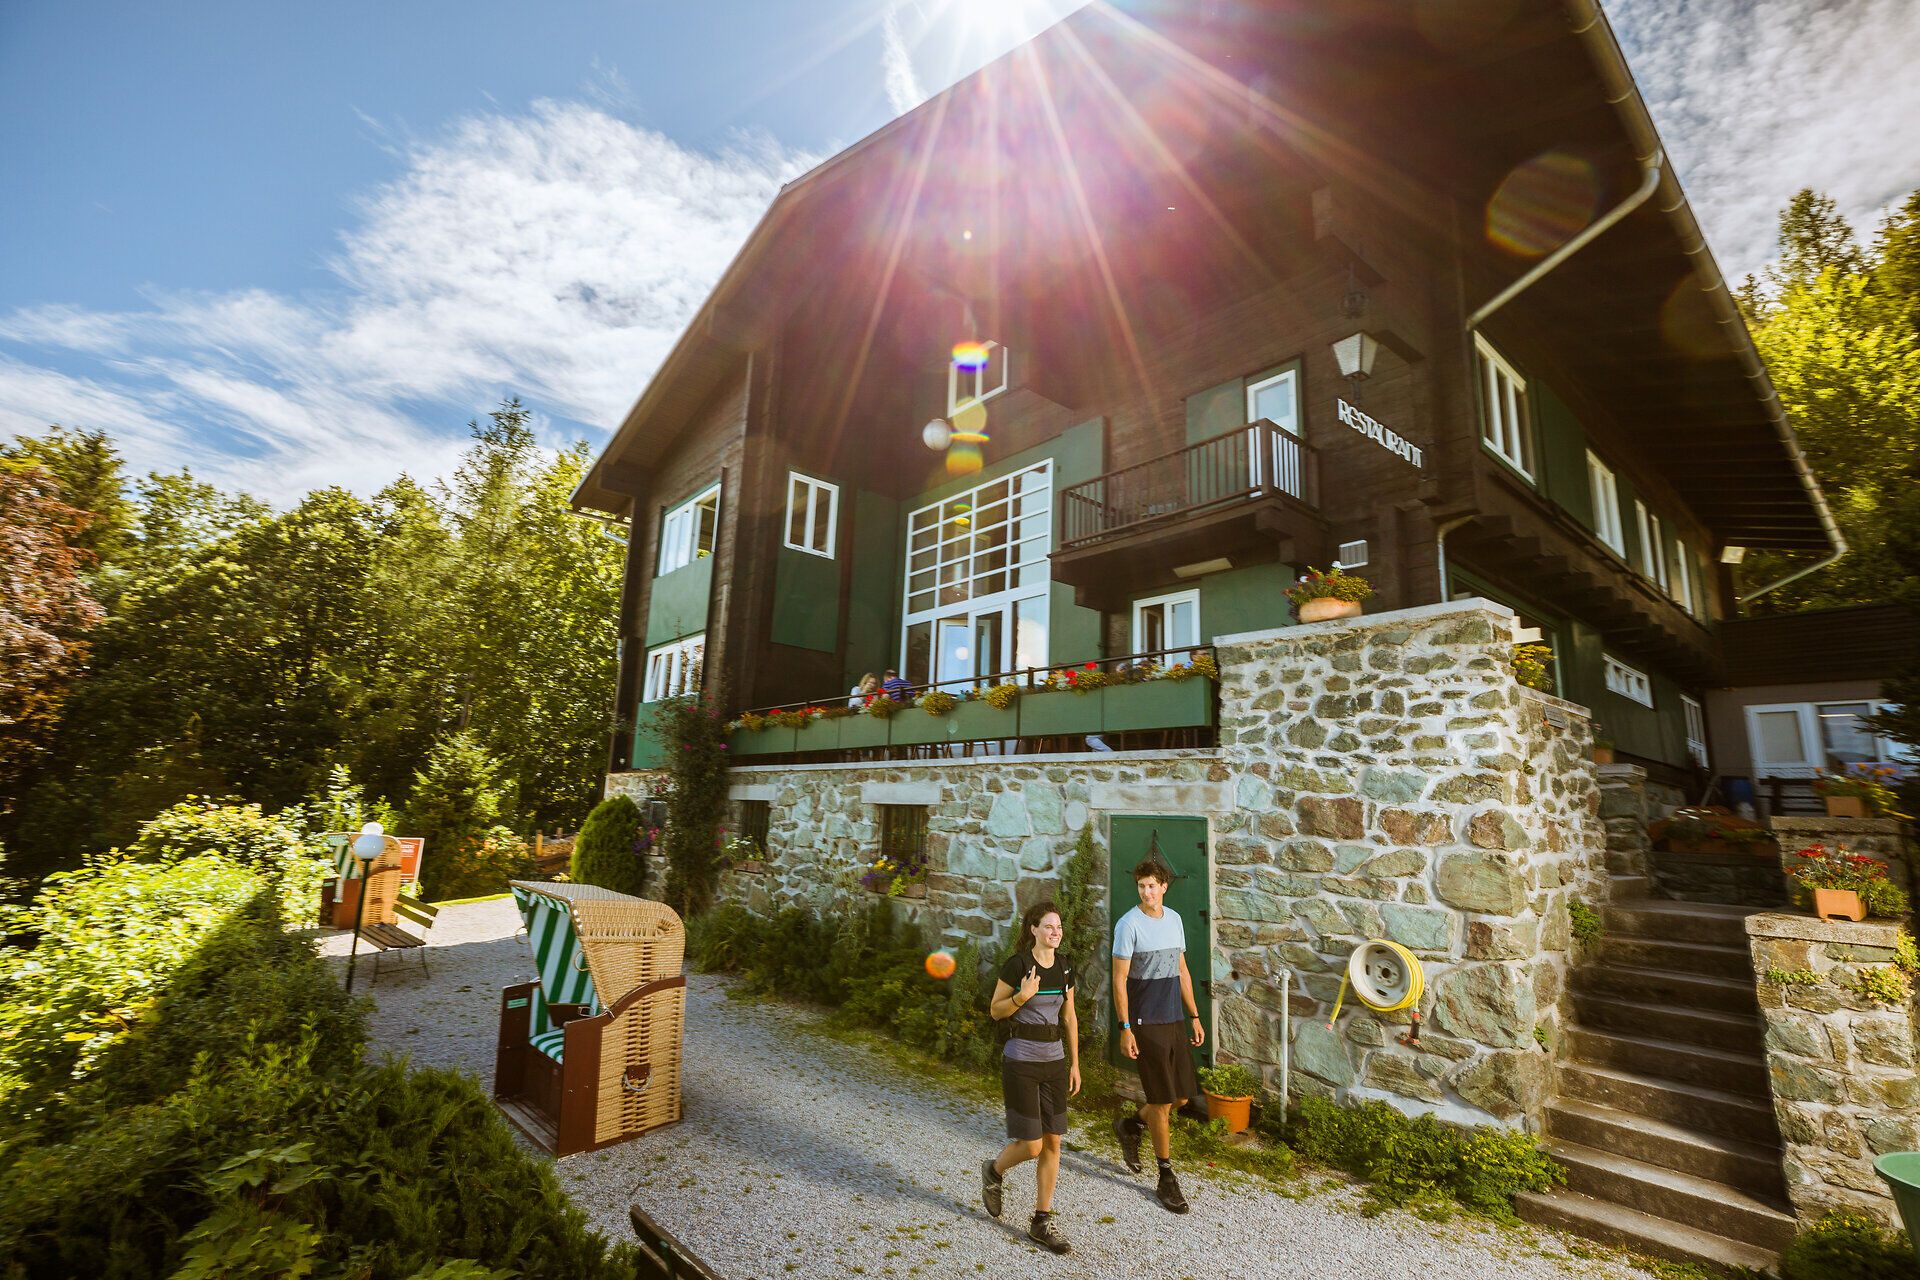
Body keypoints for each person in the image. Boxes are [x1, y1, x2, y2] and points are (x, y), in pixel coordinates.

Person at [980, 901, 1080, 1254]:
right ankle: (993, 1170)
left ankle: (1042, 1220)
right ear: (1034, 929)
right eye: (1049, 927)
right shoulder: (1019, 965)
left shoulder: (1066, 968)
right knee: (1032, 1144)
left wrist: (1075, 1064)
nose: (1056, 932)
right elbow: (995, 1010)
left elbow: (1069, 1017)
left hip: (1054, 1063)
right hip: (1021, 1059)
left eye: (1059, 927)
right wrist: (1022, 996)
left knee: (1053, 1143)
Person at [1110, 856, 1201, 1213]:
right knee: (1163, 1101)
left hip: (1174, 1019)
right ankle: (1166, 1176)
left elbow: (1182, 970)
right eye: (1141, 886)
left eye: (1152, 885)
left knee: (1180, 1098)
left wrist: (1194, 1015)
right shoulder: (1128, 925)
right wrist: (1125, 1027)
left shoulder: (1175, 919)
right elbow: (1119, 979)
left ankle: (1130, 1124)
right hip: (1145, 1022)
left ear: (1164, 886)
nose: (1146, 892)